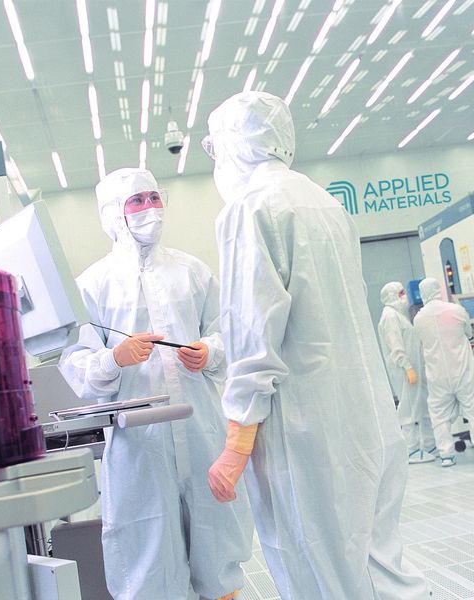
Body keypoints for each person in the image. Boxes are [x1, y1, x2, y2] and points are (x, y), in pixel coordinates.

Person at [202, 91, 428, 599]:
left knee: (317, 566)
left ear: (234, 144)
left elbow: (251, 332)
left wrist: (237, 441)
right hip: (367, 417)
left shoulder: (248, 209)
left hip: (305, 429)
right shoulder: (326, 203)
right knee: (377, 561)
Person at [58, 168, 252, 600]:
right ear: (114, 212)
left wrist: (210, 351)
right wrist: (114, 358)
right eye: (137, 201)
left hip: (200, 430)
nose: (150, 208)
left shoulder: (192, 271)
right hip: (139, 445)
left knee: (217, 538)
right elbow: (75, 362)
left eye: (153, 197)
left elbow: (229, 333)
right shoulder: (93, 284)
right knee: (148, 551)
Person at [413, 277, 474, 467]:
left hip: (437, 375)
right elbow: (468, 333)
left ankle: (446, 455)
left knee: (439, 415)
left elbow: (421, 341)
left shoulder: (418, 319)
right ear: (438, 290)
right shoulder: (456, 310)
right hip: (462, 370)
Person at [378, 281, 437, 463]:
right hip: (405, 371)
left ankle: (430, 445)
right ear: (391, 295)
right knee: (408, 409)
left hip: (414, 368)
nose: (405, 296)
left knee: (422, 406)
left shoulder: (398, 315)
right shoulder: (389, 316)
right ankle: (411, 450)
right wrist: (407, 367)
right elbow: (395, 345)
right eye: (401, 293)